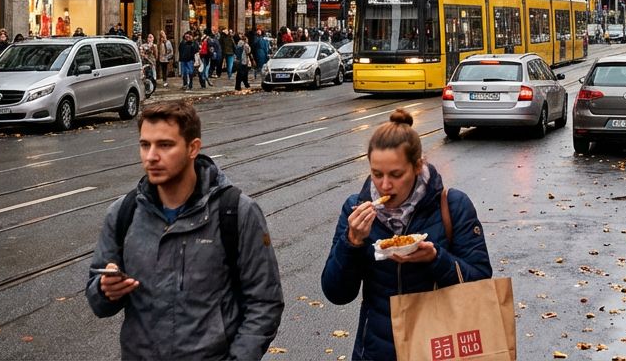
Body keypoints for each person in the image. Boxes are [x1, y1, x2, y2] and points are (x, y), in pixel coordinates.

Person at [87, 101, 284, 359]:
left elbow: (265, 301)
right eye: (145, 145)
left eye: (165, 145)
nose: (151, 157)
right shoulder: (124, 212)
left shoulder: (236, 212)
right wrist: (105, 290)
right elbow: (97, 300)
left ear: (193, 148)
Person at [321, 109, 493, 361]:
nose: (385, 185)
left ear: (417, 166)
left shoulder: (452, 205)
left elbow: (480, 282)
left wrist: (436, 259)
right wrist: (352, 242)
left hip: (440, 346)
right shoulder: (356, 208)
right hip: (377, 350)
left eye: (396, 175)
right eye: (377, 174)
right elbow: (336, 293)